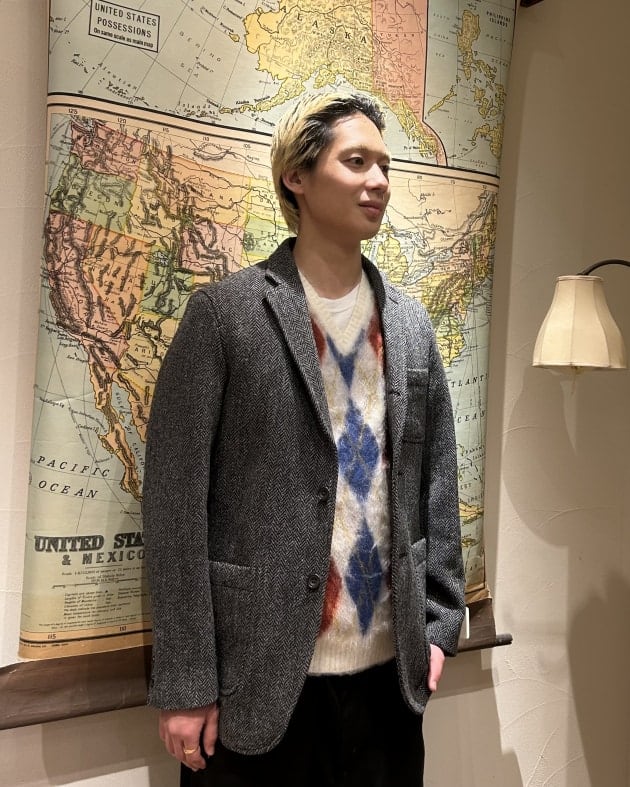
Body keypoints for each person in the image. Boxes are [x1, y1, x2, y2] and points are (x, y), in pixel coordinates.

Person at [143, 91, 465, 787]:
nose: (379, 181)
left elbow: (437, 483)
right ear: (297, 175)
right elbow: (174, 507)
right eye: (357, 161)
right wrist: (186, 681)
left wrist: (440, 625)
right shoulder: (225, 316)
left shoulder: (410, 325)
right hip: (256, 686)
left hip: (389, 686)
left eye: (385, 166)